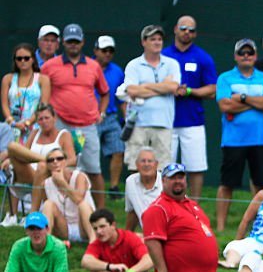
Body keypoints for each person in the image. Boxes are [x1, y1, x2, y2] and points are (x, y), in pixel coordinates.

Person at [40, 23, 109, 209]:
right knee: (56, 165)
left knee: (94, 169)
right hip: (60, 124)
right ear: (63, 42)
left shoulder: (94, 66)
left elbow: (104, 92)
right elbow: (41, 91)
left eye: (76, 42)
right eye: (70, 41)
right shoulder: (49, 66)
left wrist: (101, 112)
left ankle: (101, 213)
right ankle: (52, 207)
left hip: (87, 125)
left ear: (82, 42)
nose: (73, 45)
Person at [214, 38, 263, 231]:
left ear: (255, 56)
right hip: (234, 140)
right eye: (242, 53)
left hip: (261, 139)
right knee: (227, 184)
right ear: (235, 56)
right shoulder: (225, 78)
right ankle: (221, 227)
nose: (246, 56)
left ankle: (260, 224)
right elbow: (224, 105)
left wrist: (241, 98)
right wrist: (255, 102)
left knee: (260, 185)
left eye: (250, 53)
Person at [163, 15, 217, 198]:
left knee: (195, 167)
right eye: (184, 28)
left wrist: (189, 92)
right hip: (166, 121)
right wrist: (170, 88)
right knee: (164, 167)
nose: (187, 32)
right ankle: (165, 205)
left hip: (193, 121)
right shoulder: (164, 56)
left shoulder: (203, 58)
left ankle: (194, 208)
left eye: (191, 30)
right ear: (175, 29)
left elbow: (212, 90)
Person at [120, 25, 180, 168]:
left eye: (159, 39)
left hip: (164, 123)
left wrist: (145, 86)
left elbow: (173, 87)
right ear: (144, 42)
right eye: (153, 39)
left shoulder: (172, 64)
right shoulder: (133, 65)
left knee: (163, 168)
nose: (157, 42)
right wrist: (162, 87)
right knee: (136, 167)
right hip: (138, 124)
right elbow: (132, 91)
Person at [4, 103, 74, 216]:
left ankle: (33, 213)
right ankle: (47, 159)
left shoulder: (64, 135)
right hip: (29, 173)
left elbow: (72, 160)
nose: (44, 121)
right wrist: (11, 159)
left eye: (47, 118)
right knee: (12, 146)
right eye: (40, 119)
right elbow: (23, 154)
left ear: (54, 118)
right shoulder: (35, 133)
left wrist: (55, 164)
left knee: (42, 166)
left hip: (49, 175)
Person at [40, 147, 96, 243]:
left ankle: (94, 243)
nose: (55, 162)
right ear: (48, 165)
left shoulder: (79, 177)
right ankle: (46, 242)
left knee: (83, 204)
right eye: (50, 160)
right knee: (48, 204)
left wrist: (62, 182)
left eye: (59, 158)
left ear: (65, 161)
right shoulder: (45, 184)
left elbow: (78, 199)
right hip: (63, 228)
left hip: (84, 225)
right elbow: (46, 210)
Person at [92, 35, 125, 194]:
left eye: (110, 51)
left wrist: (125, 118)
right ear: (96, 51)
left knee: (119, 150)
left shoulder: (117, 71)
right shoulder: (88, 67)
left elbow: (122, 97)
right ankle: (89, 186)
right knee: (88, 153)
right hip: (89, 118)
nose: (107, 54)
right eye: (104, 50)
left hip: (111, 117)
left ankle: (113, 187)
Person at [2, 42, 50, 150]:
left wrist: (28, 123)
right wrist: (12, 122)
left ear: (33, 59)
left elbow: (43, 105)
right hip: (12, 127)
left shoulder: (43, 79)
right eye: (19, 59)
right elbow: (4, 104)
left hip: (36, 127)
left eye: (26, 58)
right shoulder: (8, 79)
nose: (23, 61)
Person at [124, 147, 162, 232]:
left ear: (156, 165)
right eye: (143, 161)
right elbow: (132, 212)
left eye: (150, 161)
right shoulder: (130, 182)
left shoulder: (166, 182)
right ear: (137, 165)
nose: (146, 164)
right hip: (149, 235)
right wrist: (127, 237)